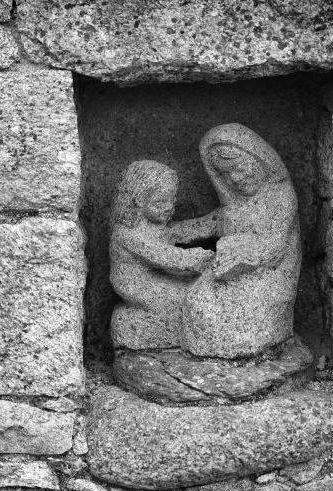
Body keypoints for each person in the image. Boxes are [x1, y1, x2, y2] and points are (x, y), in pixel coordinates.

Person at [169, 123, 301, 358]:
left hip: (269, 275)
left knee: (239, 320)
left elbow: (276, 247)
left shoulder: (281, 196)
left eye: (239, 168)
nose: (235, 179)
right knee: (197, 302)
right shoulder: (234, 205)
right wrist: (170, 233)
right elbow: (207, 224)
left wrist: (244, 252)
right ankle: (215, 351)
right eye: (224, 175)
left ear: (258, 158)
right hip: (229, 271)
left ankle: (247, 348)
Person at [109, 160, 213, 350]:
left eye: (171, 200)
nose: (168, 207)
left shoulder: (155, 226)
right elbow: (163, 255)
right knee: (190, 298)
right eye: (160, 202)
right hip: (137, 286)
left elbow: (181, 231)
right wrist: (197, 258)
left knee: (198, 291)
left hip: (156, 278)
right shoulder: (126, 234)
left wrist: (212, 222)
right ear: (139, 201)